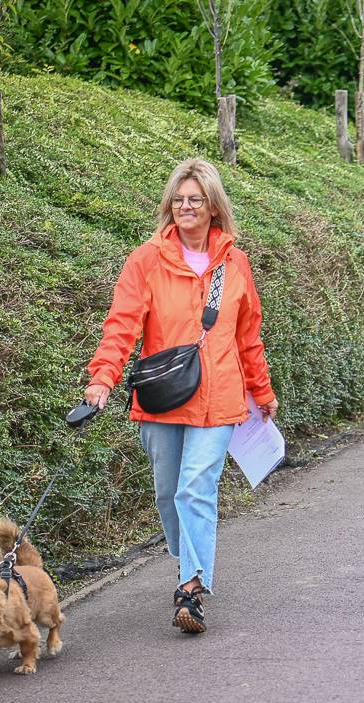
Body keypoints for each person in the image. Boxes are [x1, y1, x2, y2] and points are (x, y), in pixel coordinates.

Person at [83, 157, 277, 635]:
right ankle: (187, 559)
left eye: (196, 199)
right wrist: (103, 378)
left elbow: (248, 334)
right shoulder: (146, 259)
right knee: (169, 492)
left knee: (195, 487)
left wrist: (262, 388)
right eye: (179, 198)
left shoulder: (234, 262)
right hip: (162, 395)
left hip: (220, 396)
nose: (186, 206)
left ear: (214, 207)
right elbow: (122, 324)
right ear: (169, 205)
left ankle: (191, 585)